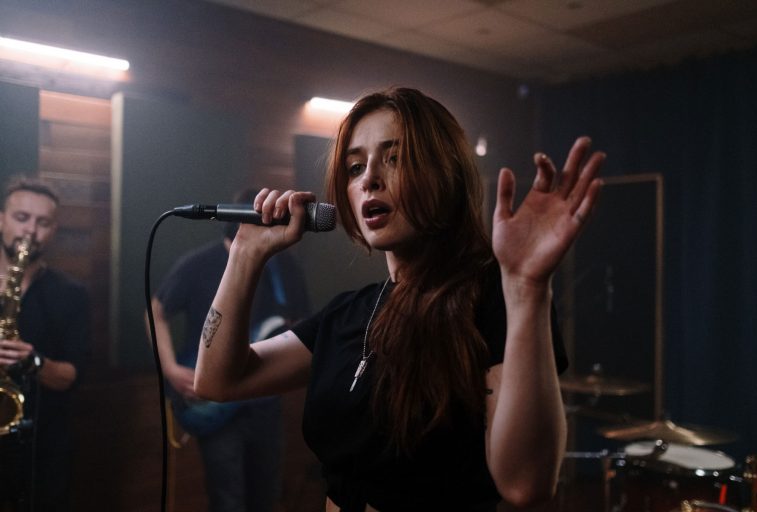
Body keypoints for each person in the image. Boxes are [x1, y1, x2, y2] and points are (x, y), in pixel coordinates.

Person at [194, 87, 605, 511]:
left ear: (445, 177)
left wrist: (528, 289)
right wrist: (245, 254)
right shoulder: (348, 313)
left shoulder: (494, 299)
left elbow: (525, 483)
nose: (369, 178)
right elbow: (217, 380)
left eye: (395, 158)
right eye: (355, 167)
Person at [149, 188, 310, 512]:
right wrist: (169, 368)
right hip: (216, 404)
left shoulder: (285, 266)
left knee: (265, 496)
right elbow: (155, 311)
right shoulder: (197, 263)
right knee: (227, 500)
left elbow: (300, 321)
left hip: (264, 401)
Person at [0, 177, 90, 512]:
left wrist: (33, 362)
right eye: (21, 218)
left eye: (43, 222)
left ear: (53, 231)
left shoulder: (71, 294)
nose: (30, 231)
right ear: (1, 220)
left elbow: (73, 376)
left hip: (43, 446)